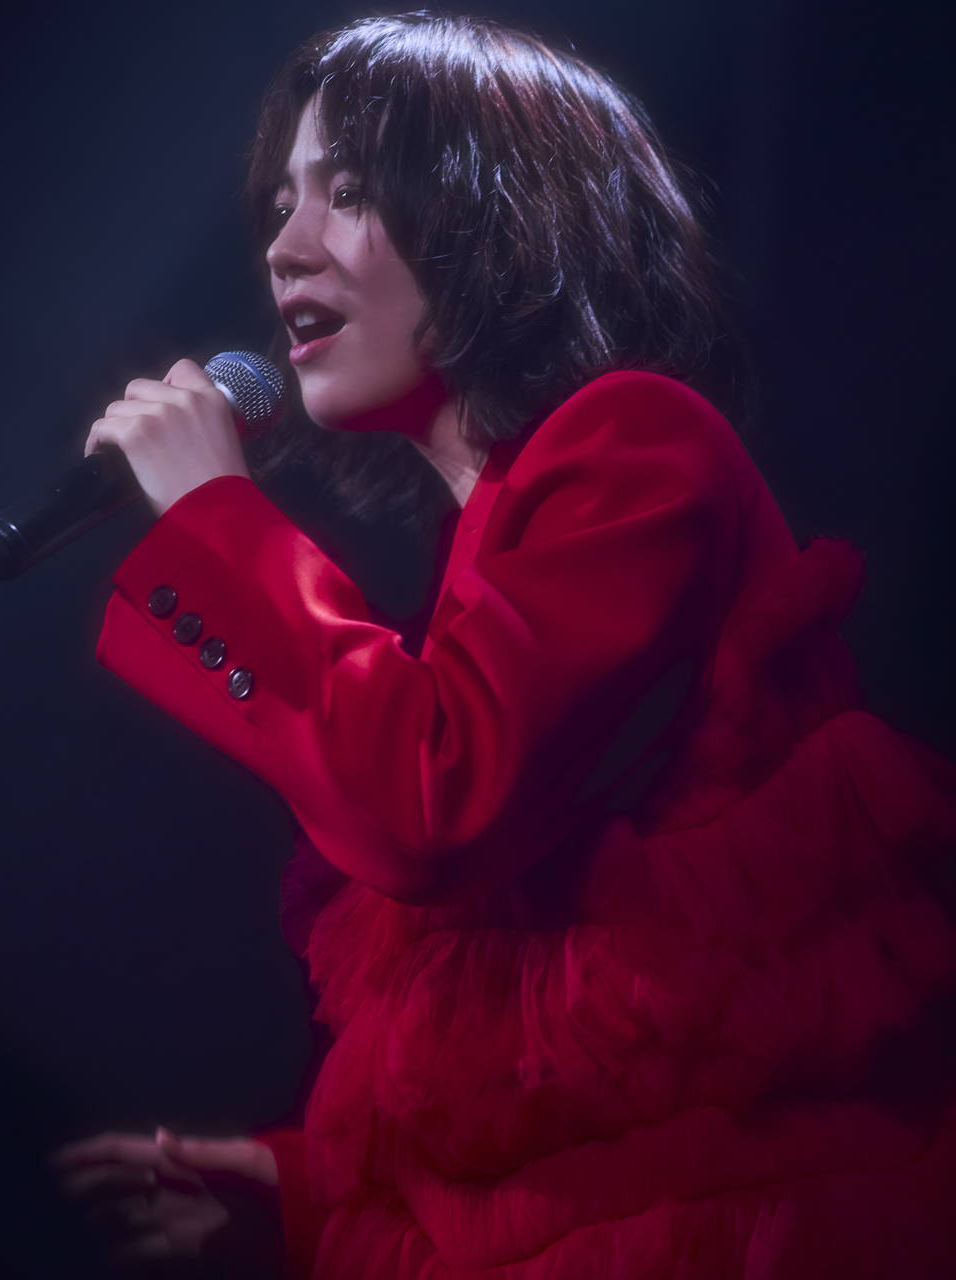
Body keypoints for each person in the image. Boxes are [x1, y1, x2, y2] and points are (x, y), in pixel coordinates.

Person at [52, 11, 956, 1278]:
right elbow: (557, 1055)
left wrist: (218, 521)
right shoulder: (477, 570)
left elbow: (433, 801)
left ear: (498, 216)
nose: (284, 246)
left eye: (347, 192)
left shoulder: (639, 441)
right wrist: (305, 1189)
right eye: (282, 201)